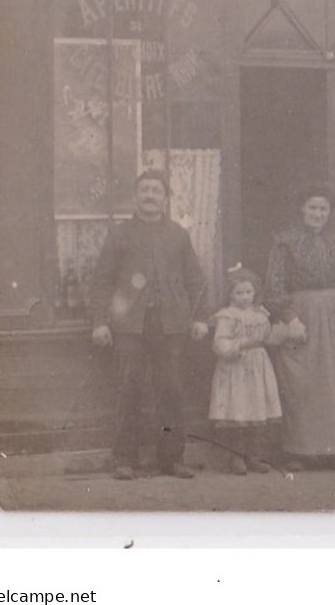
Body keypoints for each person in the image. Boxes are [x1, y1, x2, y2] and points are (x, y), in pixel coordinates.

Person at [90, 169, 209, 480]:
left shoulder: (178, 235)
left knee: (171, 391)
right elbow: (102, 281)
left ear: (166, 198)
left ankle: (171, 459)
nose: (150, 196)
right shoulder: (121, 234)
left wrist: (198, 317)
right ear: (135, 196)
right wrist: (100, 322)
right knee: (128, 389)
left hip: (170, 325)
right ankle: (124, 460)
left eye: (157, 191)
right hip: (130, 325)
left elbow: (196, 280)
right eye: (145, 190)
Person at [264, 182, 335, 470]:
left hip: (333, 318)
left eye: (323, 209)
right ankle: (298, 452)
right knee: (300, 383)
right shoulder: (285, 242)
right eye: (313, 207)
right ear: (302, 209)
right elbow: (274, 286)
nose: (318, 214)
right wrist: (290, 318)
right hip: (300, 318)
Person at [208, 264, 304, 475]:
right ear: (230, 295)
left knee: (257, 410)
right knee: (239, 411)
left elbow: (268, 336)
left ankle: (254, 457)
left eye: (248, 292)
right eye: (239, 293)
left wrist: (284, 333)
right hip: (236, 367)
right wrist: (237, 346)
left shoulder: (260, 314)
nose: (244, 297)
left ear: (255, 292)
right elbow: (220, 343)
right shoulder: (227, 316)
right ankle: (236, 457)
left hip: (258, 365)